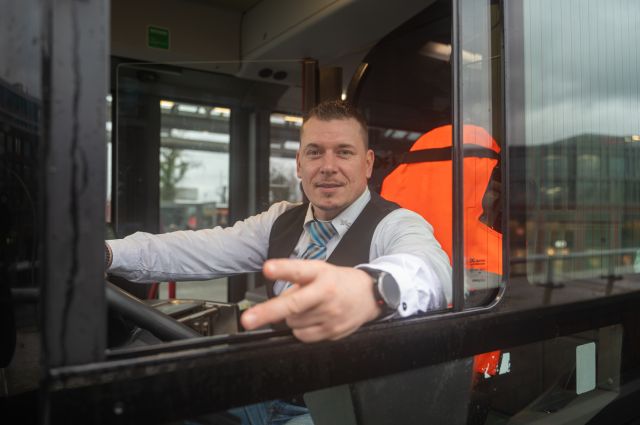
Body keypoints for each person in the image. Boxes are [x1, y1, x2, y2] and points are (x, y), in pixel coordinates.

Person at [105, 100, 451, 424]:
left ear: (368, 163)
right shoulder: (280, 220)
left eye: (344, 152)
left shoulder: (396, 223)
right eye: (315, 152)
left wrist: (372, 289)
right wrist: (106, 254)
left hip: (340, 408)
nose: (328, 166)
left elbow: (432, 270)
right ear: (299, 163)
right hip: (265, 390)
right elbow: (197, 247)